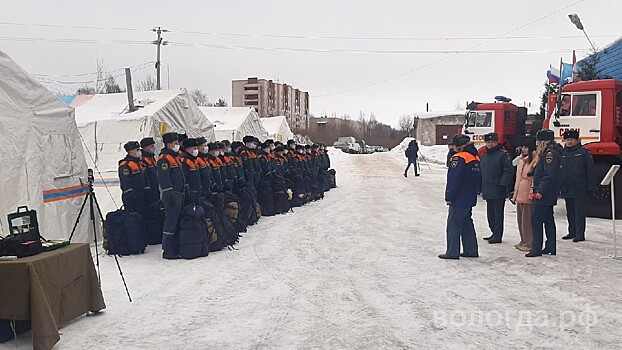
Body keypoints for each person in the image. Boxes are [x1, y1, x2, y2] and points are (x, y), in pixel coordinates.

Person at [439, 134, 482, 260]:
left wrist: (449, 195)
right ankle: (471, 249)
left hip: (459, 196)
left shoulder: (459, 158)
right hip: (470, 195)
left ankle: (452, 251)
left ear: (458, 146)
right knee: (467, 222)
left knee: (454, 224)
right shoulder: (475, 157)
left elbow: (454, 179)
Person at [526, 129, 563, 257]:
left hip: (545, 192)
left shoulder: (550, 154)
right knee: (548, 219)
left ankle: (536, 248)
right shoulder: (551, 152)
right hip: (549, 191)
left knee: (536, 219)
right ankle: (550, 246)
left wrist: (540, 191)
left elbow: (549, 175)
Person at [560, 130, 595, 242]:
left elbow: (590, 171)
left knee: (579, 212)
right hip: (567, 187)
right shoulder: (562, 153)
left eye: (572, 140)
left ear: (577, 140)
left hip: (580, 187)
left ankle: (580, 234)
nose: (569, 142)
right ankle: (572, 231)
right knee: (570, 211)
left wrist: (590, 186)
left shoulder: (583, 153)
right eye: (567, 139)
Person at [480, 132, 514, 244]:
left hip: (498, 189)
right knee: (490, 214)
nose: (490, 144)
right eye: (488, 142)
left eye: (493, 142)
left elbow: (508, 171)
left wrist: (503, 184)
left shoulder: (503, 155)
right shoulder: (484, 156)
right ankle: (493, 231)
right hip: (487, 188)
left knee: (498, 214)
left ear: (496, 142)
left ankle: (498, 235)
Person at [157, 132, 185, 259]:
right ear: (168, 144)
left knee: (176, 221)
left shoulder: (174, 157)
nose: (177, 145)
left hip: (179, 194)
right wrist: (170, 193)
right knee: (170, 222)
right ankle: (168, 250)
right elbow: (164, 179)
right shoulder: (164, 158)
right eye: (175, 143)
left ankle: (175, 247)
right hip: (171, 195)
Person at [511, 138, 538, 252]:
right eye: (523, 147)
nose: (523, 149)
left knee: (527, 220)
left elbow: (534, 179)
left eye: (526, 147)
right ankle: (523, 239)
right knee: (520, 219)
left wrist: (532, 192)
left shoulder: (535, 160)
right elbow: (518, 178)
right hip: (520, 192)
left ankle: (529, 242)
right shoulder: (521, 160)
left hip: (528, 193)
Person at [118, 141, 148, 214]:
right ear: (130, 151)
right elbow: (125, 182)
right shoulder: (125, 165)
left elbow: (144, 177)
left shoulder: (139, 163)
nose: (139, 151)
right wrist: (130, 195)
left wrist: (147, 188)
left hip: (142, 194)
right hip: (133, 196)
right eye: (136, 150)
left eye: (139, 149)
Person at [140, 137, 160, 204]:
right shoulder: (142, 159)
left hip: (155, 187)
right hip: (150, 188)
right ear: (146, 147)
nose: (153, 148)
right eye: (152, 146)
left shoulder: (151, 157)